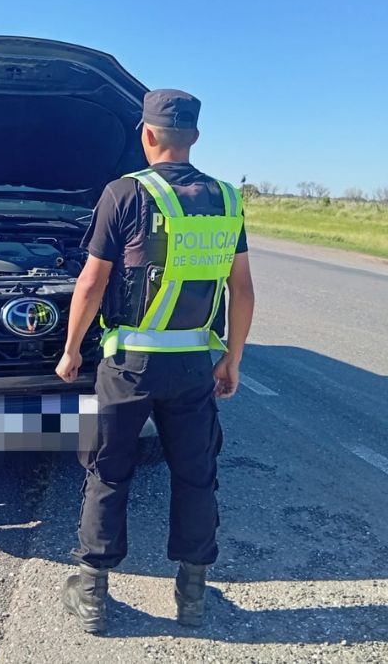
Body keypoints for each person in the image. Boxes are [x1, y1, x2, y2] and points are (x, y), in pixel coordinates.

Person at [55, 89, 256, 633]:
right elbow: (242, 291)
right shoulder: (227, 200)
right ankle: (192, 595)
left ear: (146, 136)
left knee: (109, 471)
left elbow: (93, 282)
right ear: (194, 136)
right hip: (194, 365)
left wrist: (72, 349)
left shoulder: (124, 194)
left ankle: (93, 594)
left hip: (129, 366)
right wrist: (231, 359)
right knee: (195, 475)